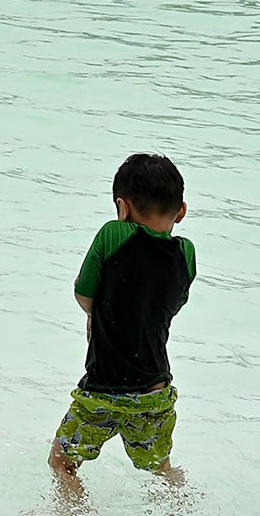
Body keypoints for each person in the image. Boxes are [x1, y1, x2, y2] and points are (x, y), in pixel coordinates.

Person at [49, 153, 196, 495]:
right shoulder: (186, 253)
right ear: (181, 211)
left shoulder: (114, 234)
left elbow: (83, 293)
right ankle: (184, 508)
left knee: (62, 462)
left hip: (103, 392)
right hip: (155, 394)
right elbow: (172, 304)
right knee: (160, 468)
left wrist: (95, 315)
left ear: (122, 207)